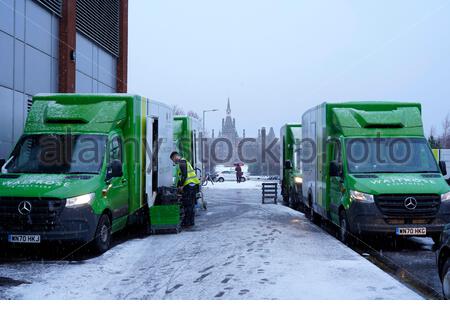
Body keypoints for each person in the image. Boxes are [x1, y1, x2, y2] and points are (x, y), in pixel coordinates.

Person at [170, 151, 200, 227]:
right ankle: (190, 222)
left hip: (189, 186)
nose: (174, 162)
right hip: (193, 185)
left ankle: (187, 223)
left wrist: (181, 186)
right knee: (191, 205)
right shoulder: (184, 162)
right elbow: (181, 177)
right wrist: (178, 185)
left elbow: (184, 175)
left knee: (188, 205)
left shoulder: (182, 162)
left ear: (175, 157)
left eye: (173, 160)